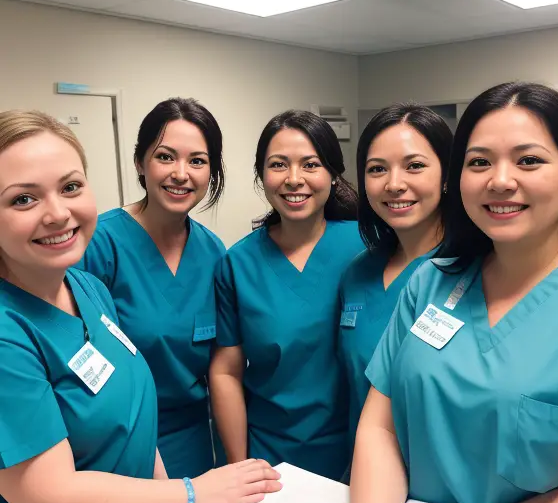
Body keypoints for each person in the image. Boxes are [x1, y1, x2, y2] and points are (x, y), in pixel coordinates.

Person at [0, 110, 281, 503]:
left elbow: (131, 413)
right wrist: (190, 496)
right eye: (22, 199)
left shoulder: (85, 287)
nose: (58, 213)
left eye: (70, 187)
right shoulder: (11, 331)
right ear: (140, 163)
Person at [348, 82, 558, 503]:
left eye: (529, 160)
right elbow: (380, 427)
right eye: (479, 161)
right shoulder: (431, 282)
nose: (500, 180)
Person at [210, 110, 364, 481]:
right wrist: (239, 466)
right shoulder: (238, 263)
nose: (294, 179)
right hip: (272, 459)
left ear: (332, 173)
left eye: (310, 164)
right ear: (261, 176)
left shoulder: (367, 247)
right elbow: (226, 371)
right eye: (279, 165)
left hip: (362, 451)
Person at [80, 98, 226, 479]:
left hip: (194, 439)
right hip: (115, 441)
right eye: (165, 157)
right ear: (140, 163)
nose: (181, 173)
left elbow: (221, 364)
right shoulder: (99, 244)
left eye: (197, 160)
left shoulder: (214, 252)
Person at [339, 104, 451, 452]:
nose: (394, 184)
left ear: (448, 175)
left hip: (442, 485)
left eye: (414, 166)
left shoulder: (474, 271)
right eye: (377, 169)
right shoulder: (359, 271)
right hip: (364, 470)